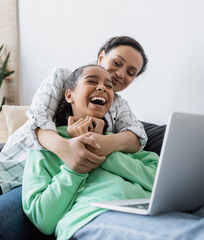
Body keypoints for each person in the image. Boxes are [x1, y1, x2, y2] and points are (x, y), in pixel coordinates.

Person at [0, 36, 150, 240]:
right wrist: (67, 148)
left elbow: (137, 137)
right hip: (12, 164)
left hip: (47, 180)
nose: (120, 74)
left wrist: (94, 144)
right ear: (101, 57)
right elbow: (37, 119)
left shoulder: (118, 105)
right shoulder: (64, 77)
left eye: (131, 72)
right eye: (117, 63)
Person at [22, 64, 159, 240]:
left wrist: (105, 149)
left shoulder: (120, 141)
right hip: (93, 217)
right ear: (69, 95)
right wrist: (75, 170)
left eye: (108, 86)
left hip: (148, 210)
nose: (102, 87)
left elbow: (162, 183)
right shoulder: (48, 147)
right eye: (92, 81)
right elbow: (43, 219)